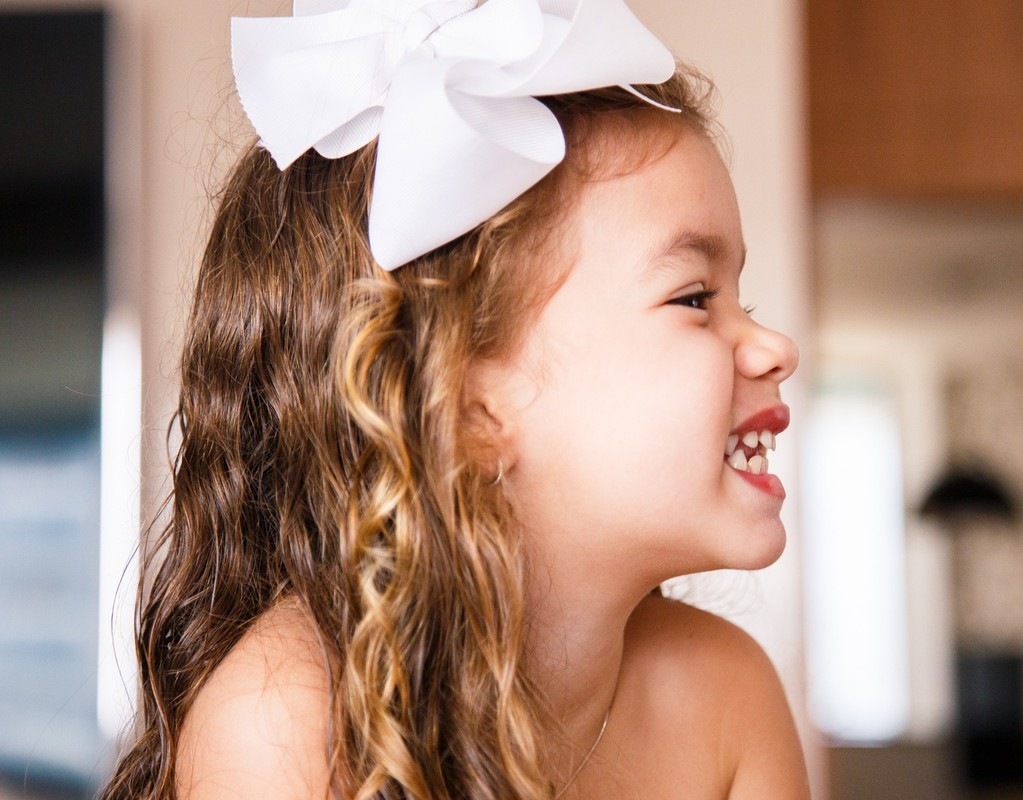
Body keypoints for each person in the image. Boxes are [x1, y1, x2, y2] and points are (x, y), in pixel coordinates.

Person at [101, 0, 807, 797]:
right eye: (693, 298)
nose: (773, 345)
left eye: (739, 297)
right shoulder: (288, 727)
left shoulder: (728, 699)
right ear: (467, 408)